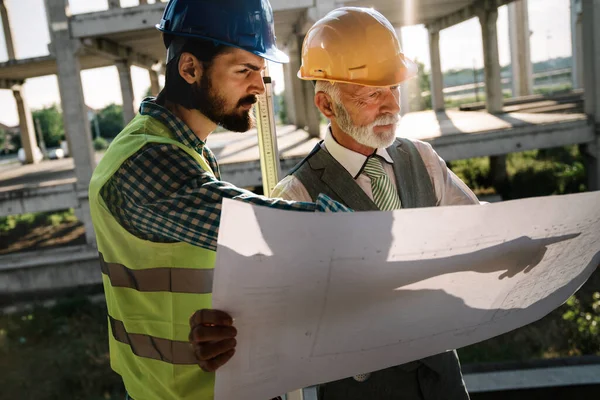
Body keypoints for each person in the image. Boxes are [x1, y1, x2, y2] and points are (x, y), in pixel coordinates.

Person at [87, 1, 348, 399]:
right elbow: (266, 229)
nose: (260, 88)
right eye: (245, 70)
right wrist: (364, 230)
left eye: (261, 72)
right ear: (190, 68)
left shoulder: (186, 147)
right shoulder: (148, 162)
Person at [271, 7, 478, 400]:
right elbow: (288, 324)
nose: (392, 106)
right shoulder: (295, 197)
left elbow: (480, 234)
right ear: (326, 105)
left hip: (443, 385)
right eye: (372, 94)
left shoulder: (424, 160)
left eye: (394, 89)